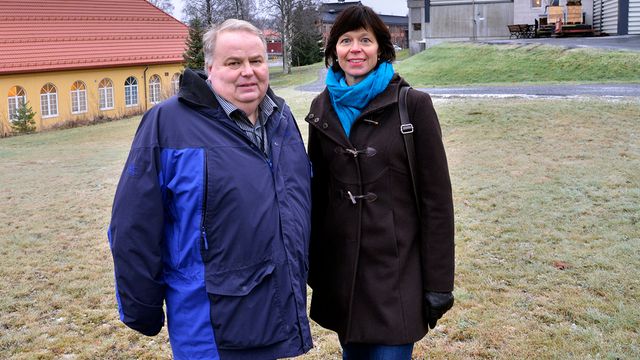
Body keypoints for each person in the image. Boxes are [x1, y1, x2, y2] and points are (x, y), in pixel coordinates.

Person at [108, 19, 313, 360]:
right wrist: (140, 308)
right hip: (209, 327)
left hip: (275, 314)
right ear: (210, 68)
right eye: (234, 63)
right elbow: (133, 225)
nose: (247, 72)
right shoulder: (167, 124)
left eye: (256, 61)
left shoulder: (281, 119)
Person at [305, 5, 455, 359]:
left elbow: (437, 201)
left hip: (397, 276)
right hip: (345, 278)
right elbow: (318, 196)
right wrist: (315, 269)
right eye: (345, 40)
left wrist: (439, 284)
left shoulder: (412, 105)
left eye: (365, 40)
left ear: (381, 48)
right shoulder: (321, 108)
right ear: (334, 50)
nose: (355, 49)